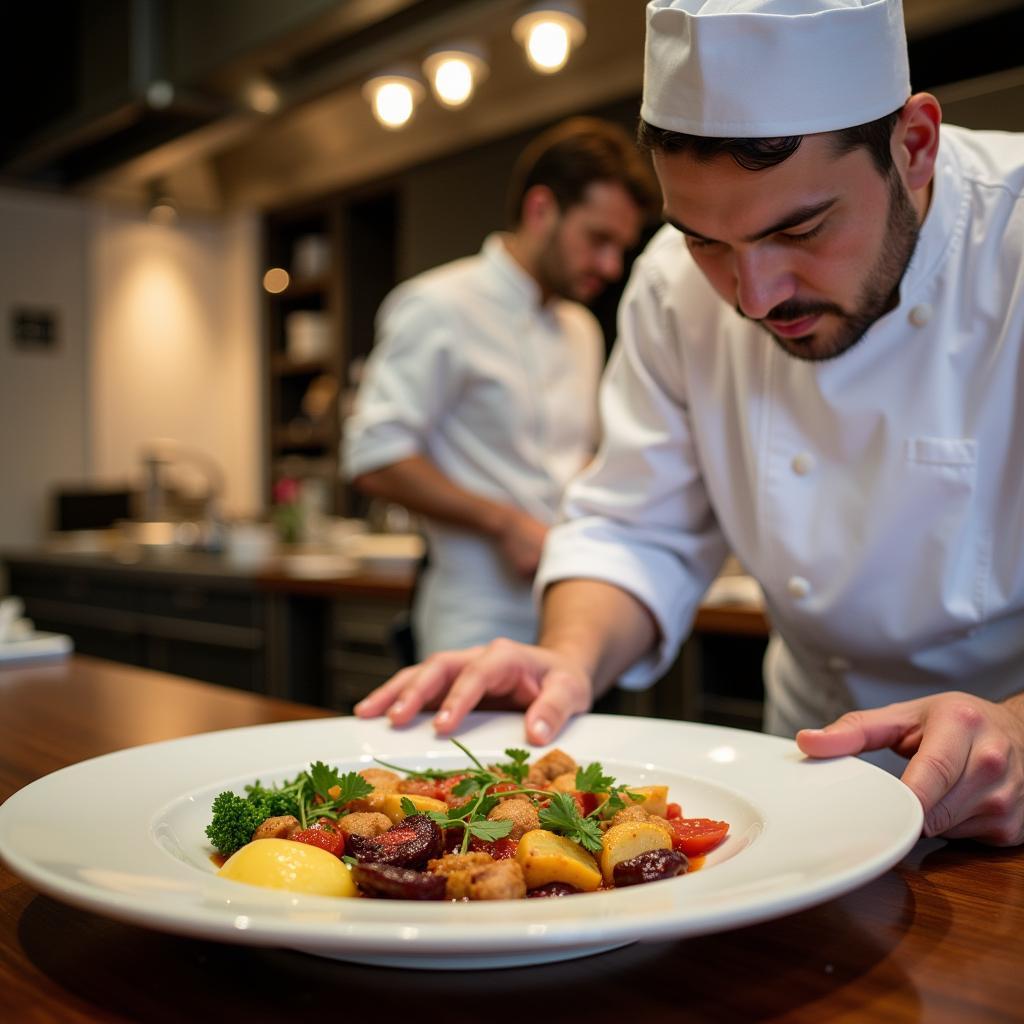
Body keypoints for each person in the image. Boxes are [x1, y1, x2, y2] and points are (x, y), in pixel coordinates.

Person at [355, 0, 1024, 848]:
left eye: (801, 228)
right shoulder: (671, 288)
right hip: (811, 781)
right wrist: (569, 658)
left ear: (913, 145)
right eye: (706, 240)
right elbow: (637, 528)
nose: (755, 297)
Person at [344, 118, 657, 659]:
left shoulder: (580, 329)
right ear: (542, 210)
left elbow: (571, 458)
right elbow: (374, 455)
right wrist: (505, 522)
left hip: (571, 609)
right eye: (598, 240)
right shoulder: (439, 305)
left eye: (621, 249)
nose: (610, 266)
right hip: (474, 616)